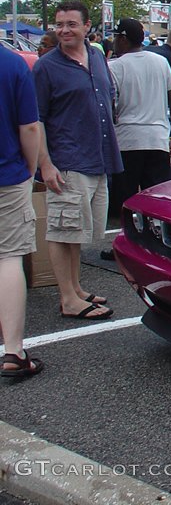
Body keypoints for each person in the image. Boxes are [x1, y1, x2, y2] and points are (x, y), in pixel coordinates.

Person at [33, 0, 120, 320]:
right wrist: (45, 163)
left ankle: (76, 288)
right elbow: (36, 119)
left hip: (98, 158)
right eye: (59, 25)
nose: (64, 30)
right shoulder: (46, 67)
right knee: (62, 230)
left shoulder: (97, 57)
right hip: (67, 161)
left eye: (71, 24)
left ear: (87, 27)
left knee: (79, 232)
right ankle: (67, 298)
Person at [107, 18, 171, 221]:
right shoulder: (161, 62)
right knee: (156, 199)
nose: (113, 41)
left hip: (128, 140)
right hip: (157, 139)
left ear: (123, 39)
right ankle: (156, 243)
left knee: (126, 199)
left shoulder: (115, 67)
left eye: (116, 37)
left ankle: (127, 242)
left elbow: (112, 106)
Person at [0, 38, 43, 378]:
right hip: (7, 174)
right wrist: (30, 169)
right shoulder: (13, 64)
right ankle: (13, 350)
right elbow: (29, 126)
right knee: (9, 257)